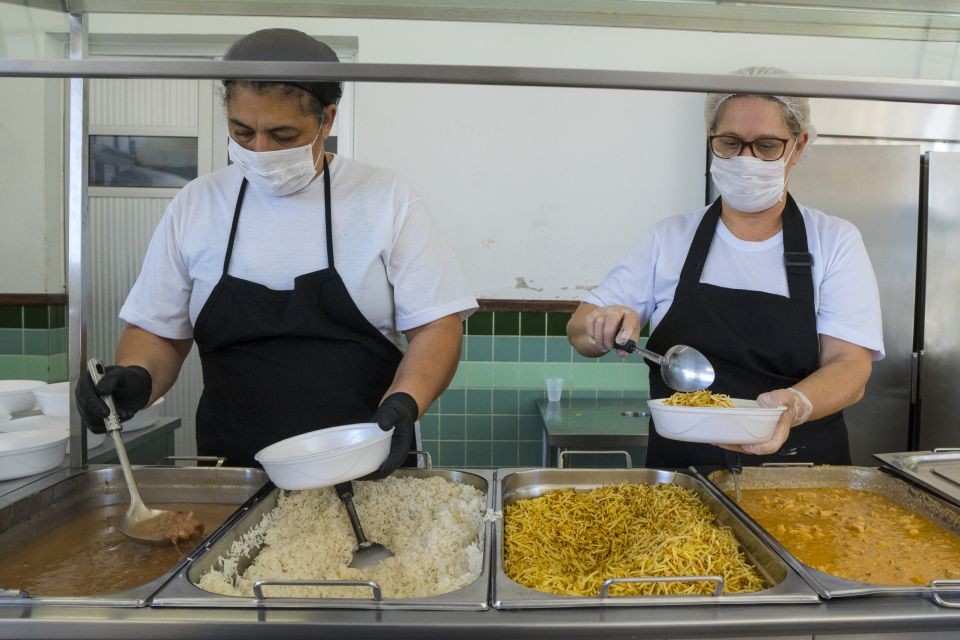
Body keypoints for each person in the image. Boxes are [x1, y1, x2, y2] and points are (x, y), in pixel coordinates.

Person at [77, 28, 477, 474]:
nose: (261, 150)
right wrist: (137, 377)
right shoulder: (197, 204)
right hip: (234, 473)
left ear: (327, 119)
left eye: (283, 135)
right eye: (242, 132)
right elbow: (159, 334)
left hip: (364, 463)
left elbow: (436, 326)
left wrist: (407, 400)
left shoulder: (385, 198)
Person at [567, 67, 884, 468]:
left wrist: (794, 405)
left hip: (799, 471)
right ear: (710, 139)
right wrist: (601, 326)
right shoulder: (670, 238)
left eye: (766, 146)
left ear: (798, 146)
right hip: (683, 474)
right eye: (730, 143)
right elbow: (578, 329)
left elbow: (851, 366)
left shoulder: (834, 241)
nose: (745, 160)